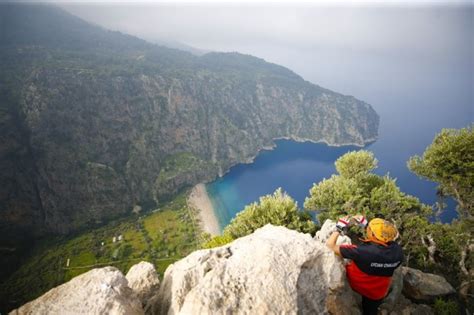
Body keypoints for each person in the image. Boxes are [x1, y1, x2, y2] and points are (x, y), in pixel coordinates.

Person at [326, 215, 403, 315]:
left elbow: (330, 245)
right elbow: (381, 241)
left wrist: (339, 228)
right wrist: (366, 225)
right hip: (378, 292)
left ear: (373, 234)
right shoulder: (397, 252)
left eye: (370, 229)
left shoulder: (361, 251)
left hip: (357, 285)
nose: (368, 229)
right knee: (370, 311)